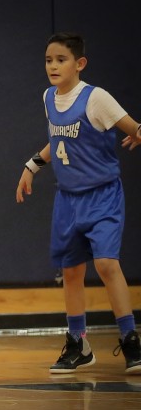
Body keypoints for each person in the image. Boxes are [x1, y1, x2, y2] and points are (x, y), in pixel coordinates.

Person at [16, 32, 141, 375]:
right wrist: (32, 166)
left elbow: (134, 128)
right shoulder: (48, 98)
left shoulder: (96, 98)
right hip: (67, 199)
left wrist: (135, 131)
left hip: (102, 195)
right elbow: (58, 142)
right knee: (71, 271)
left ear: (79, 63)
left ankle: (131, 339)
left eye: (61, 59)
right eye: (48, 60)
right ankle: (78, 343)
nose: (53, 66)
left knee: (105, 265)